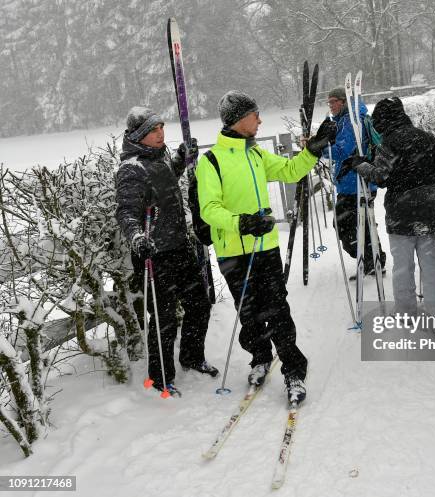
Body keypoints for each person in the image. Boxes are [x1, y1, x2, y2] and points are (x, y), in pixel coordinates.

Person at [195, 91, 336, 405]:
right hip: (232, 250)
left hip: (265, 247)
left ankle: (294, 368)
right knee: (249, 311)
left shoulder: (256, 155)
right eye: (254, 115)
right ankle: (260, 356)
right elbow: (209, 209)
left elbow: (289, 171)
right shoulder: (212, 161)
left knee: (277, 308)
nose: (259, 120)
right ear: (238, 119)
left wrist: (312, 150)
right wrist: (241, 222)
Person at [115, 106, 218, 397]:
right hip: (154, 254)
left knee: (199, 304)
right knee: (163, 318)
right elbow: (126, 212)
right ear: (139, 137)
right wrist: (137, 237)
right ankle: (160, 378)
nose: (161, 133)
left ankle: (192, 356)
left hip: (179, 247)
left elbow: (163, 181)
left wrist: (180, 161)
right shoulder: (130, 169)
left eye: (161, 127)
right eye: (153, 130)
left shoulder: (158, 158)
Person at [338, 96, 435, 321]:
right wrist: (423, 185)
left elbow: (380, 176)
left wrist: (360, 164)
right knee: (433, 267)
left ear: (384, 120)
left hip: (401, 216)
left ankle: (406, 313)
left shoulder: (389, 142)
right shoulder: (426, 137)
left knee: (403, 267)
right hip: (429, 212)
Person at [322, 87, 386, 277]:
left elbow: (342, 151)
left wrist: (320, 149)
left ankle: (369, 259)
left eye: (334, 101)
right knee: (364, 223)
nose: (331, 105)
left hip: (356, 182)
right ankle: (374, 260)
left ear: (343, 102)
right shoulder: (347, 119)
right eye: (329, 102)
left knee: (343, 225)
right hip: (356, 181)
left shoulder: (351, 121)